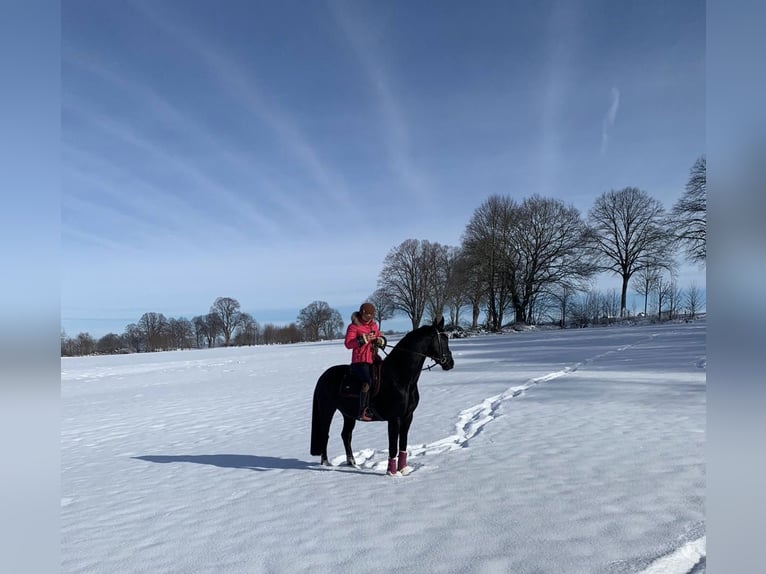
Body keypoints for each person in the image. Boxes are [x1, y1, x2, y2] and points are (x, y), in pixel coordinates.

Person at [344, 302, 385, 421]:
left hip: (373, 358)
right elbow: (348, 344)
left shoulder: (374, 325)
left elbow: (378, 336)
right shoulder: (354, 326)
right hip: (359, 361)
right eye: (367, 317)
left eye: (371, 317)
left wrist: (380, 340)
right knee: (367, 380)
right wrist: (363, 339)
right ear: (362, 314)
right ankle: (363, 411)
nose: (368, 320)